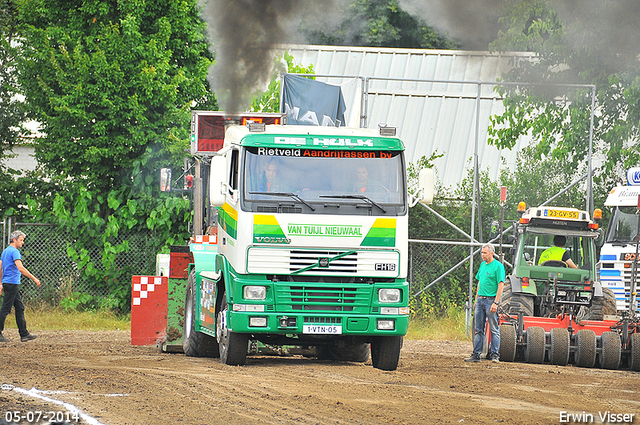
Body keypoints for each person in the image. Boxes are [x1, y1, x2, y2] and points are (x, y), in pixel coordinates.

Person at [465, 243, 505, 363]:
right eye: (482, 253)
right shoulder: (483, 265)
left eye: (485, 253)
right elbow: (479, 282)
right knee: (478, 329)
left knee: (493, 328)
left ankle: (494, 354)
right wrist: (477, 299)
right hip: (481, 300)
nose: (482, 255)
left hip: (490, 300)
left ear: (491, 253)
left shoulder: (498, 267)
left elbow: (501, 285)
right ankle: (476, 354)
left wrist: (496, 303)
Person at [0, 230, 40, 342]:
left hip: (8, 283)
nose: (22, 243)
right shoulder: (15, 252)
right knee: (5, 309)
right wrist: (34, 278)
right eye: (21, 240)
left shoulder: (5, 251)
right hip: (12, 283)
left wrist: (0, 283)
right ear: (14, 240)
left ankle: (24, 334)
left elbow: (0, 267)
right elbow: (21, 268)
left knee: (19, 307)